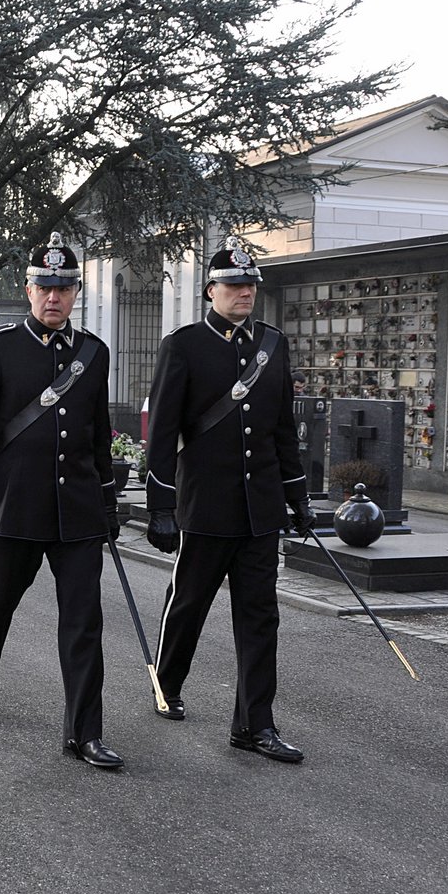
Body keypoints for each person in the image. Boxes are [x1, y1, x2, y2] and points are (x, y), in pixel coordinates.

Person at [0, 235, 122, 768]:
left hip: (77, 513)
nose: (54, 297)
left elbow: (98, 434)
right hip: (16, 505)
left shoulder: (94, 353)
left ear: (76, 294)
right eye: (45, 287)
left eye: (64, 288)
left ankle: (84, 732)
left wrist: (108, 504)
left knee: (83, 621)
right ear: (28, 289)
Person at [144, 245, 309, 764]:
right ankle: (166, 681)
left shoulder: (273, 345)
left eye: (250, 284)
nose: (244, 292)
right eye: (233, 284)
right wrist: (161, 505)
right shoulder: (185, 346)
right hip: (206, 505)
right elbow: (162, 431)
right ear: (210, 290)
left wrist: (296, 496)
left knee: (261, 618)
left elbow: (283, 428)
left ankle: (254, 724)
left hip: (259, 508)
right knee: (189, 603)